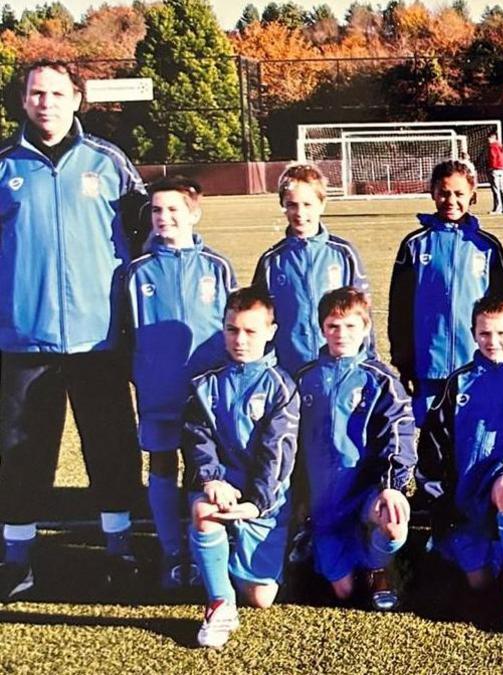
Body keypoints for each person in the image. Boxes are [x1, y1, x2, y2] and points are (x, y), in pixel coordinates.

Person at [0, 60, 148, 599]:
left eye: (57, 93)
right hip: (21, 340)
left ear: (77, 99)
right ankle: (16, 556)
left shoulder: (108, 162)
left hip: (99, 338)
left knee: (110, 446)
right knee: (20, 452)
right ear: (23, 100)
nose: (47, 103)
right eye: (37, 93)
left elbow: (146, 242)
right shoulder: (4, 165)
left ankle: (119, 547)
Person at [416, 297, 503, 632]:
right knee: (478, 582)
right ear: (473, 334)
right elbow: (433, 447)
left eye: (501, 333)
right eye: (484, 334)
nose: (493, 342)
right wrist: (440, 505)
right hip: (464, 507)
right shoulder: (458, 383)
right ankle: (471, 552)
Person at [128, 176, 236, 590]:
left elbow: (232, 329)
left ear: (194, 213)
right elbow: (125, 330)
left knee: (202, 468)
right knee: (161, 464)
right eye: (157, 210)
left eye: (173, 210)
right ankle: (173, 553)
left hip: (206, 395)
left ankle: (201, 548)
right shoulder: (136, 271)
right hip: (158, 389)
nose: (164, 218)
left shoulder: (217, 266)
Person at [184, 287, 298, 648]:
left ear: (270, 332)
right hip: (222, 487)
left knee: (262, 598)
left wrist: (257, 502)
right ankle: (220, 603)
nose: (240, 340)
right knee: (204, 510)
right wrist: (211, 478)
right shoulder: (207, 384)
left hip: (265, 499)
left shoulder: (282, 387)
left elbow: (277, 454)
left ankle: (225, 552)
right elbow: (197, 438)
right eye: (232, 330)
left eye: (250, 331)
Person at [295, 287, 414, 611]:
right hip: (324, 503)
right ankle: (315, 541)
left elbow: (399, 433)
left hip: (365, 494)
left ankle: (380, 567)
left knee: (392, 519)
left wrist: (391, 487)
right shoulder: (305, 379)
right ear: (322, 328)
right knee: (345, 591)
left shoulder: (380, 378)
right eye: (333, 326)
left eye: (350, 326)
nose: (341, 334)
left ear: (365, 329)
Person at [388, 159, 503, 426]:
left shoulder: (487, 247)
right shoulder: (414, 245)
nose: (450, 200)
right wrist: (404, 360)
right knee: (432, 443)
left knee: (474, 434)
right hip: (428, 365)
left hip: (476, 364)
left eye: (459, 194)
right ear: (432, 192)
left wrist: (502, 356)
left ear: (473, 196)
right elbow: (399, 309)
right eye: (444, 192)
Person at [253, 162, 370, 376]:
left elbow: (362, 312)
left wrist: (368, 359)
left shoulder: (344, 254)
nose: (300, 212)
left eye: (308, 204)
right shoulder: (271, 261)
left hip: (336, 367)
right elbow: (258, 319)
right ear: (283, 205)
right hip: (288, 368)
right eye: (292, 205)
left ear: (322, 204)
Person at [487, 132, 503, 214]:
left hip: (495, 169)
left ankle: (498, 209)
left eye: (489, 138)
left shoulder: (492, 146)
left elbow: (493, 157)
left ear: (493, 138)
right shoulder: (501, 146)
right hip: (501, 169)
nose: (488, 140)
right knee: (502, 189)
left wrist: (491, 167)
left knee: (496, 189)